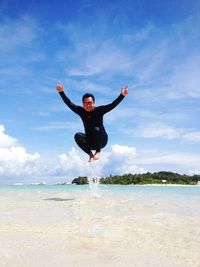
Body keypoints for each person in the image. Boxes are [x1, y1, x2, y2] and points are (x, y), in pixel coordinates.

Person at [56, 82, 128, 162]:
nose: (87, 105)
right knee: (77, 135)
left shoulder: (99, 110)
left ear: (93, 103)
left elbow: (112, 105)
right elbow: (69, 103)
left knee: (96, 129)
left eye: (89, 102)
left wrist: (122, 95)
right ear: (83, 104)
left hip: (101, 140)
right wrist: (61, 92)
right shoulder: (81, 111)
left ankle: (98, 152)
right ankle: (90, 155)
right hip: (90, 142)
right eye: (85, 103)